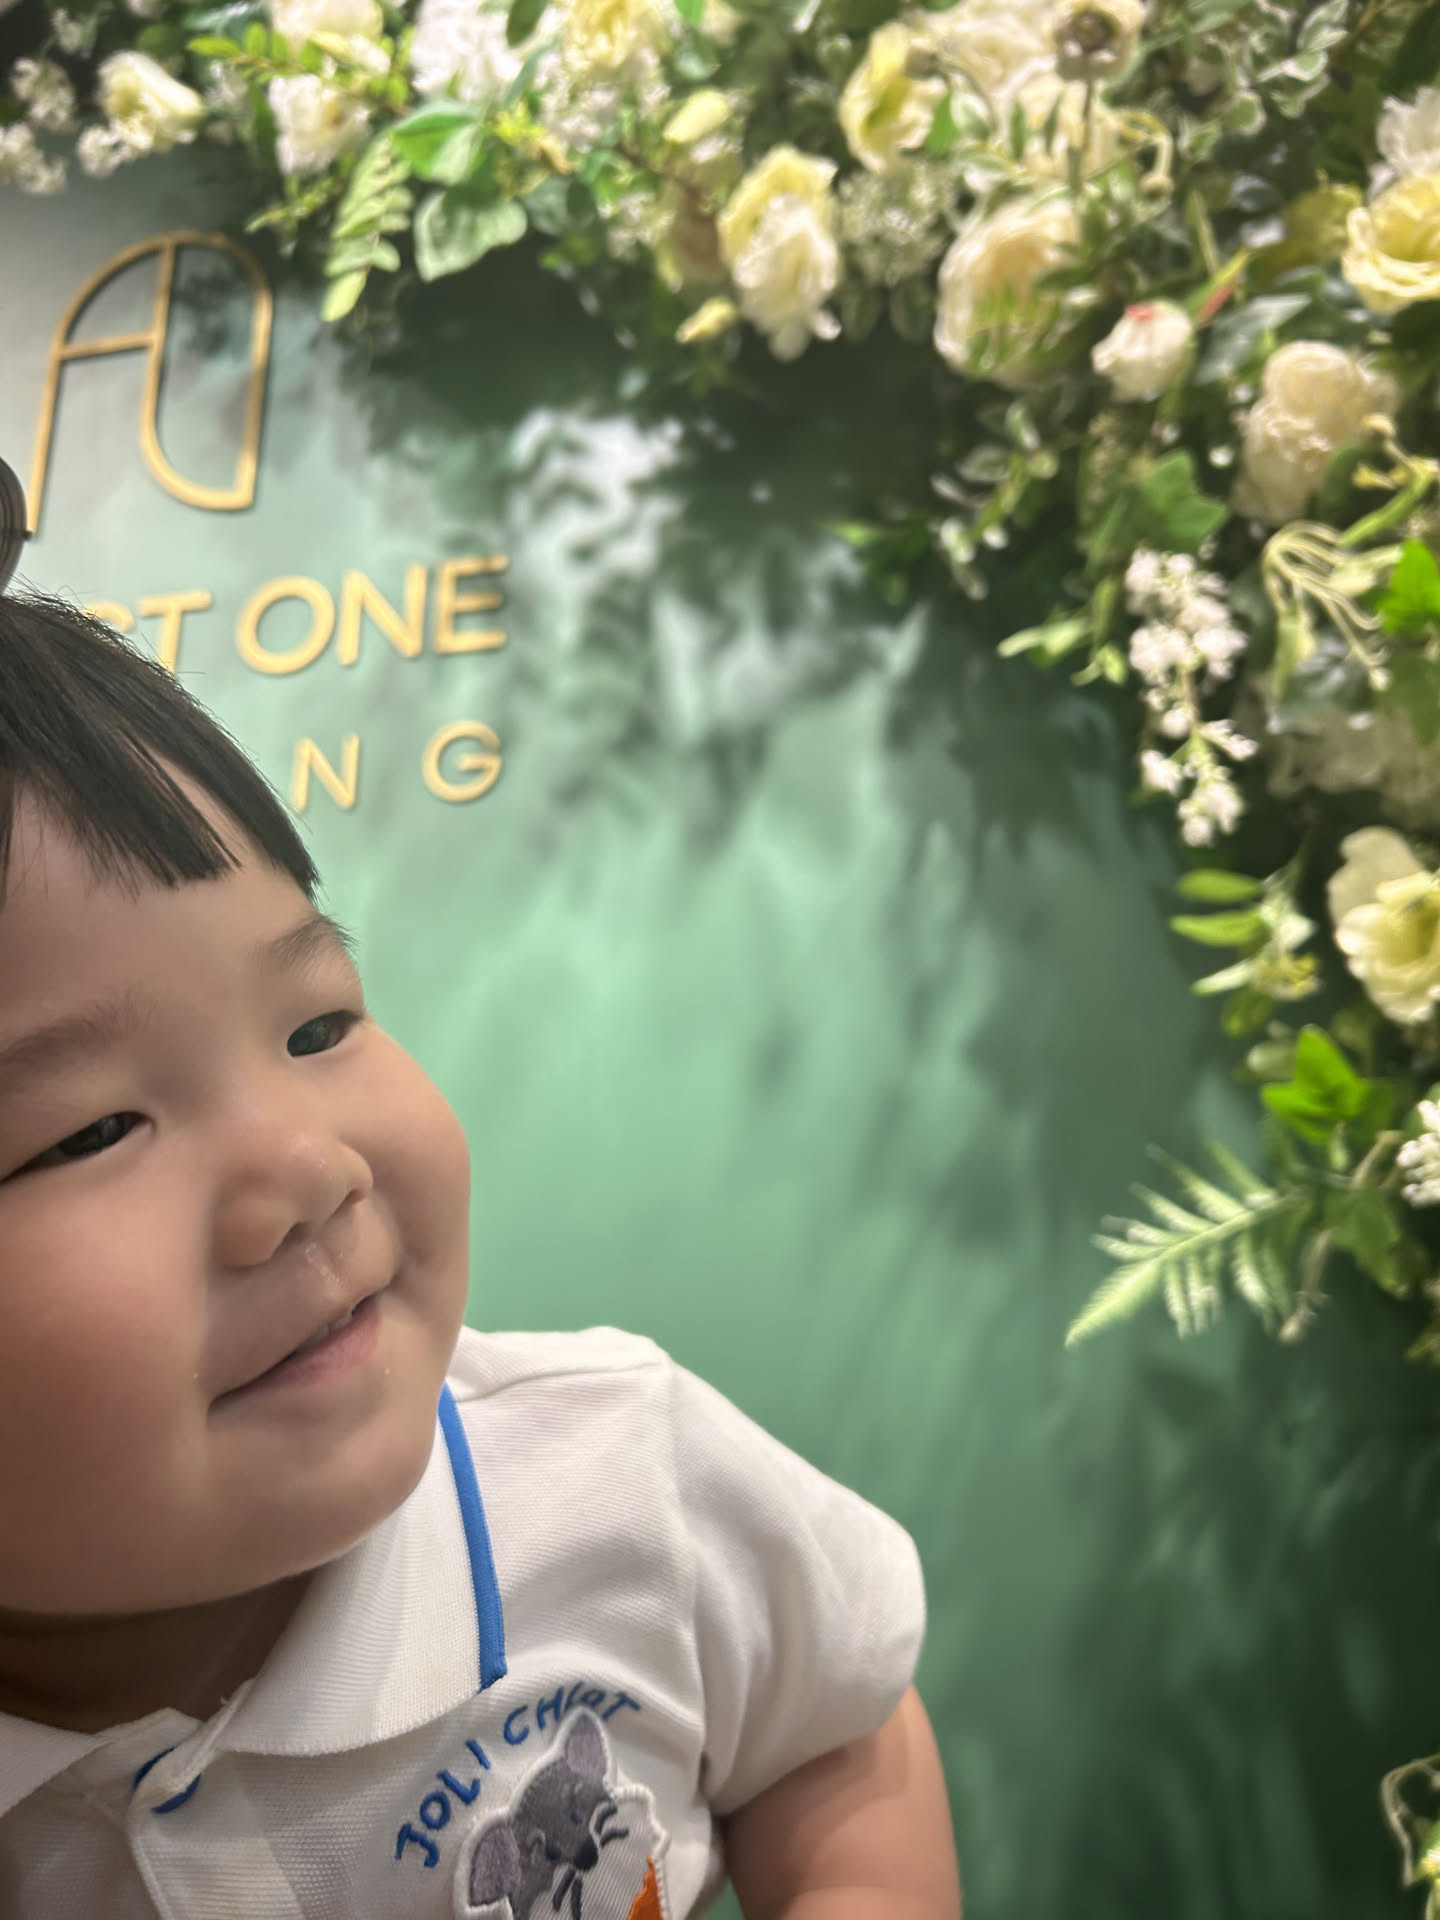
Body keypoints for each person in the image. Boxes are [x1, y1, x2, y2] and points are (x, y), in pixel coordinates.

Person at [0, 590, 961, 1920]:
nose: (308, 1169)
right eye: (91, 1131)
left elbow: (836, 1725)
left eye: (317, 1025)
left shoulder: (619, 1474)